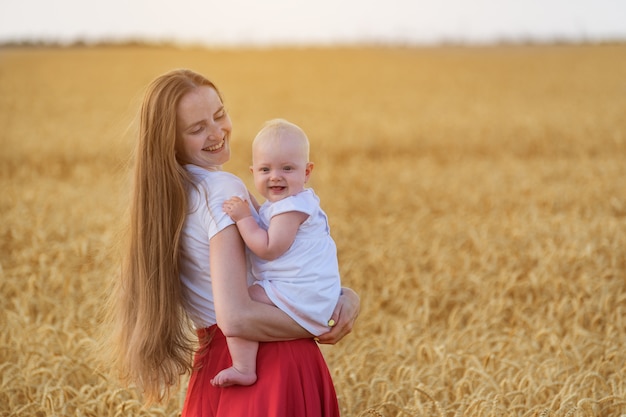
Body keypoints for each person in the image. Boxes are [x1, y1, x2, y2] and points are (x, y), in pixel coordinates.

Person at [105, 68, 360, 417]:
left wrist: (345, 295)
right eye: (197, 129)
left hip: (216, 367)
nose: (217, 132)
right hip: (272, 364)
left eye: (220, 114)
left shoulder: (167, 200)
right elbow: (237, 318)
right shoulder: (221, 190)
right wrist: (322, 320)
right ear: (170, 141)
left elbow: (276, 271)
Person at [211, 119, 342, 387]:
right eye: (265, 169)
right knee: (244, 303)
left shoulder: (291, 208)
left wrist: (243, 218)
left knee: (242, 303)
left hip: (301, 292)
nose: (275, 176)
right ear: (253, 172)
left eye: (287, 168)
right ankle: (244, 366)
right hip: (308, 291)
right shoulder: (284, 205)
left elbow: (268, 249)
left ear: (307, 172)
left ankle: (244, 367)